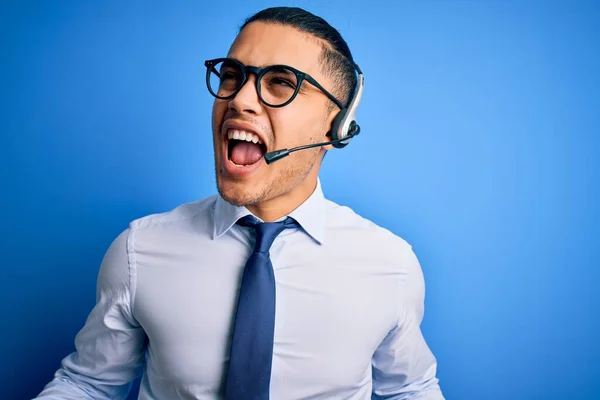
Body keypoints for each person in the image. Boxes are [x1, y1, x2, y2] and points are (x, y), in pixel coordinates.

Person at [35, 6, 444, 400]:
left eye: (280, 83)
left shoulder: (391, 266)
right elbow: (87, 384)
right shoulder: (138, 250)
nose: (239, 100)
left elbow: (411, 390)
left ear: (335, 125)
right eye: (232, 76)